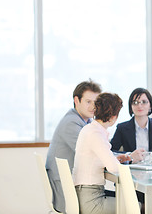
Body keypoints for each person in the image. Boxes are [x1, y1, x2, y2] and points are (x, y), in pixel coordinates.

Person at [73, 92, 141, 214]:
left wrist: (116, 158)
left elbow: (97, 157)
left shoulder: (89, 129)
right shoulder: (96, 134)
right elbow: (113, 167)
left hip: (84, 194)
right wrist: (118, 161)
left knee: (132, 200)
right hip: (92, 200)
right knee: (139, 206)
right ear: (114, 117)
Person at [110, 87, 152, 213]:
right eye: (135, 102)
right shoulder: (122, 128)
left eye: (144, 102)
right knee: (144, 201)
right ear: (130, 106)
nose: (139, 105)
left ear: (150, 106)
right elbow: (111, 151)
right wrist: (129, 156)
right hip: (131, 179)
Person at [45, 79, 102, 212]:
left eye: (96, 103)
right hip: (64, 186)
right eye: (88, 101)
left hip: (70, 182)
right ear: (77, 100)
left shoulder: (84, 122)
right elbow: (91, 153)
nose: (93, 107)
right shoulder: (72, 123)